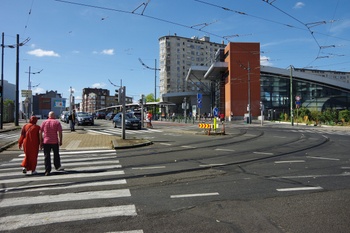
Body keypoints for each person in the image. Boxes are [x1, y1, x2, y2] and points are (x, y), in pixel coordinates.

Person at [41, 111, 64, 176]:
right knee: (56, 154)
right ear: (54, 116)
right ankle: (57, 166)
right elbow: (60, 132)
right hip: (54, 141)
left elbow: (40, 132)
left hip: (46, 141)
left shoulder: (44, 122)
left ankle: (47, 170)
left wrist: (41, 141)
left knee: (47, 156)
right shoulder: (57, 122)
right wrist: (61, 140)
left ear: (48, 116)